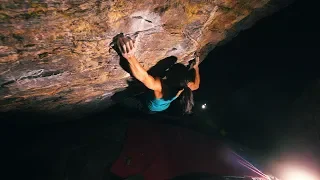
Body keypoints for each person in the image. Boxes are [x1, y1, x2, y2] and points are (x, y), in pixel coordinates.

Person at [116, 35, 200, 114]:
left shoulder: (161, 87)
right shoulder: (184, 86)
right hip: (164, 106)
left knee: (123, 99)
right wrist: (196, 67)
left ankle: (124, 98)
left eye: (169, 70)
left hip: (149, 108)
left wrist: (130, 56)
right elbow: (196, 86)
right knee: (147, 87)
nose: (168, 70)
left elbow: (144, 77)